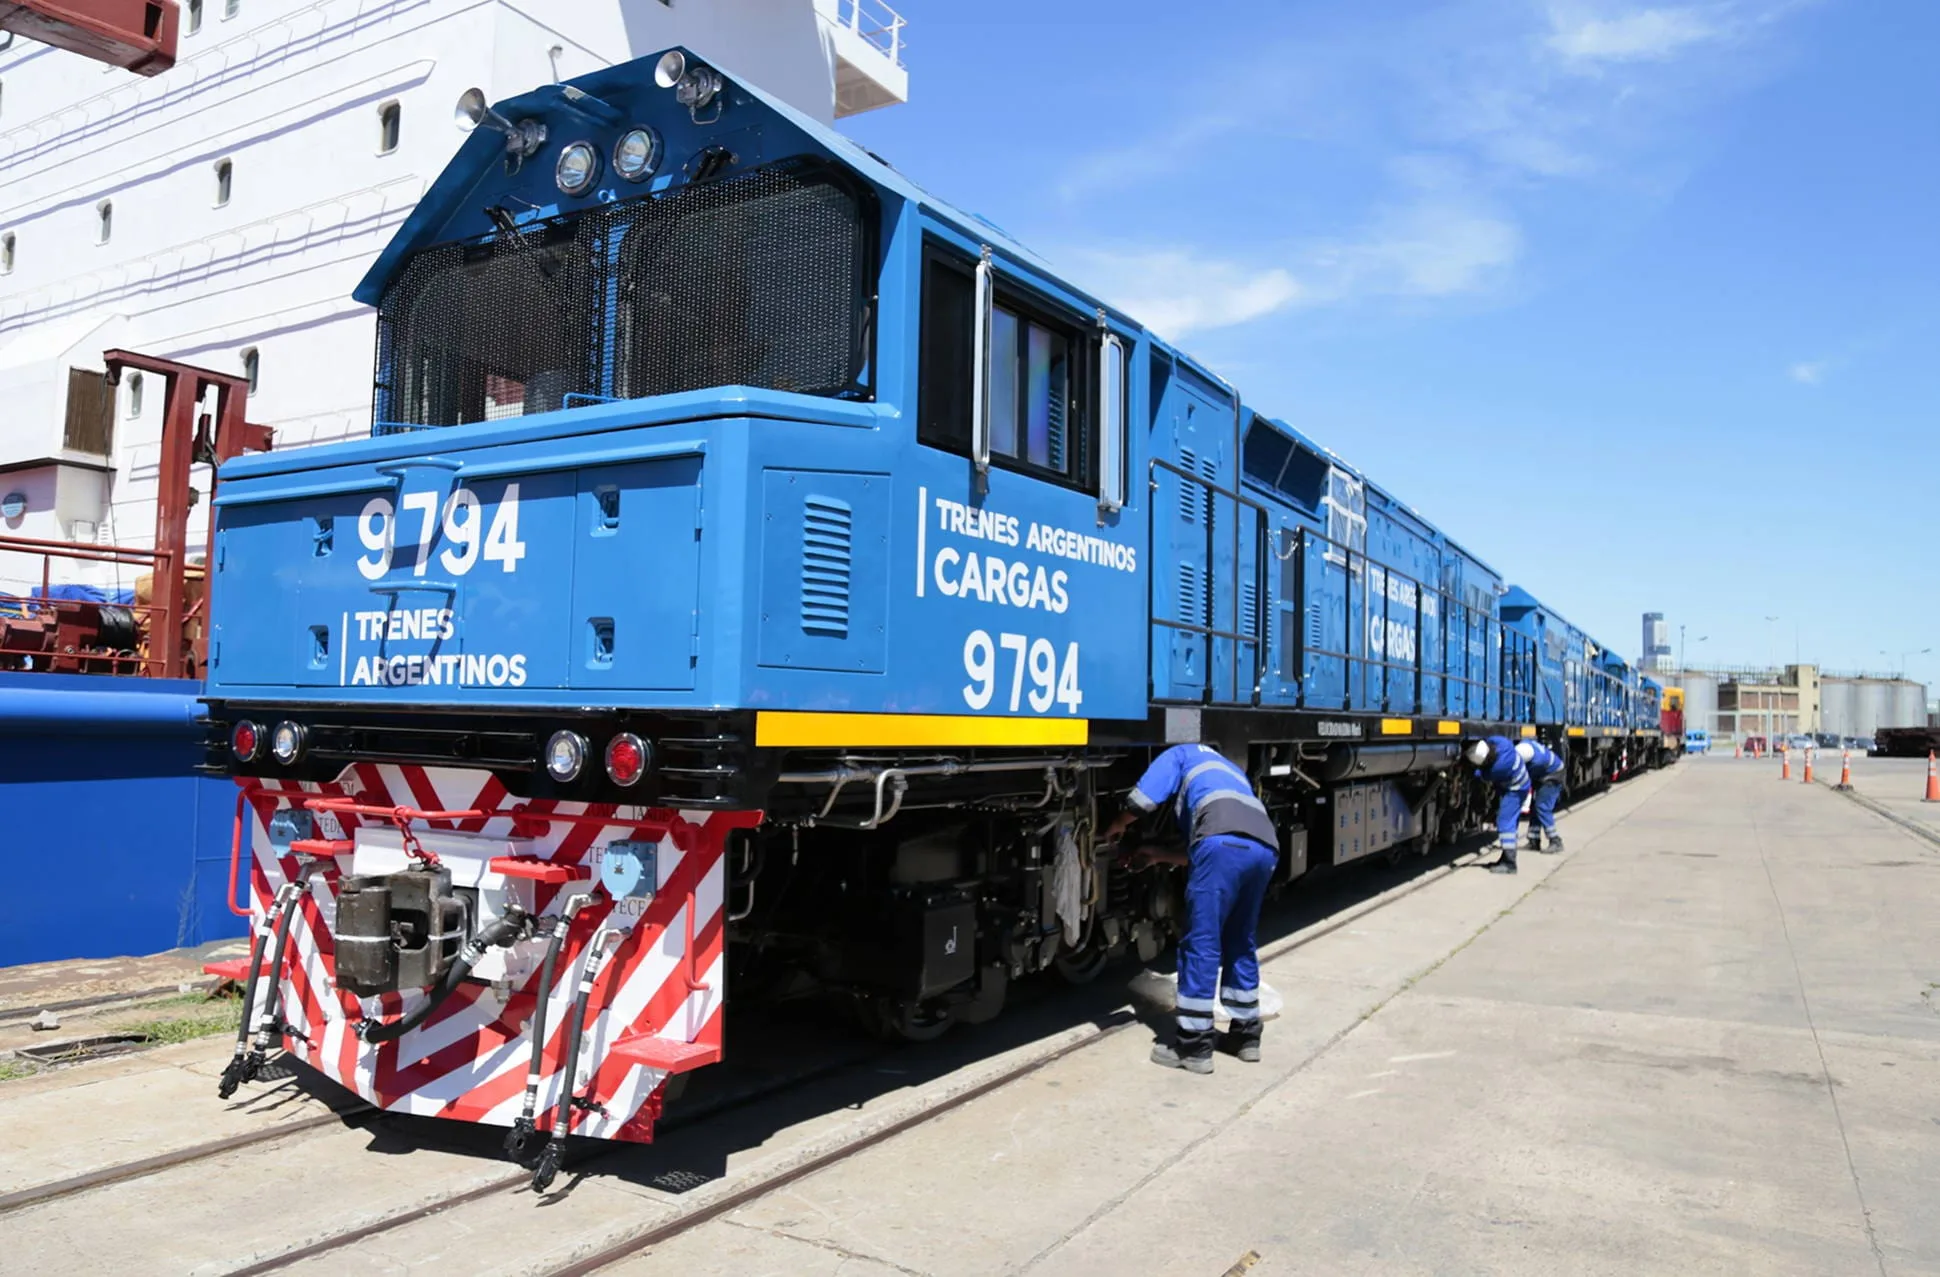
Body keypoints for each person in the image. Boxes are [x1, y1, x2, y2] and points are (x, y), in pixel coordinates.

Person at [1102, 743, 1280, 1075]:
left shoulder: (1179, 754)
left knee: (1202, 942)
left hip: (1220, 842)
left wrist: (1118, 823)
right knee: (1240, 939)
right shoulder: (1228, 767)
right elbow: (1215, 848)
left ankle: (1193, 1046)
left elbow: (1143, 800)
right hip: (1265, 847)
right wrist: (1158, 855)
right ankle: (1246, 1037)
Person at [1464, 735, 1529, 874]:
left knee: (1505, 822)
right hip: (1522, 784)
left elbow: (1479, 774)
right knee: (1511, 823)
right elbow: (1489, 738)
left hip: (1515, 790)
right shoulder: (1503, 744)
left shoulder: (1496, 769)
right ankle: (1505, 858)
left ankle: (1510, 864)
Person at [1517, 740, 1566, 854]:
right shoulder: (1524, 746)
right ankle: (1534, 840)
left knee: (1542, 807)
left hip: (1553, 776)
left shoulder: (1537, 762)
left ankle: (1555, 841)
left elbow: (1524, 779)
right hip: (1545, 774)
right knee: (1535, 807)